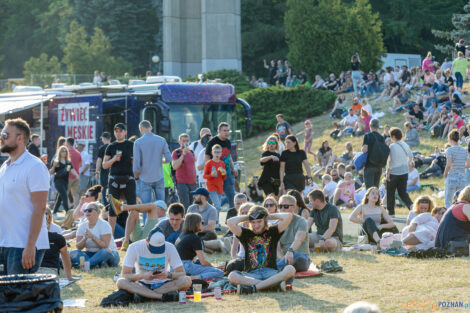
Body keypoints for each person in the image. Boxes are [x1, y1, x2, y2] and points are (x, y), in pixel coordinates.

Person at [0, 118, 50, 274]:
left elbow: (40, 208)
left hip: (23, 245)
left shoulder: (34, 166)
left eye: (5, 135)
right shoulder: (5, 166)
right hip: (6, 242)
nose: (1, 138)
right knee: (6, 297)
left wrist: (30, 246)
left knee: (17, 296)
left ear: (20, 138)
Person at [227, 205, 295, 294]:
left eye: (259, 221)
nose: (256, 225)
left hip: (271, 273)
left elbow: (288, 216)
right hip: (252, 275)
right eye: (253, 222)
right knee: (232, 276)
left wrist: (267, 215)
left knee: (290, 269)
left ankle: (253, 288)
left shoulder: (272, 231)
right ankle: (273, 286)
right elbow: (230, 222)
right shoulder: (245, 233)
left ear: (265, 220)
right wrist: (249, 216)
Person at [116, 228, 192, 301]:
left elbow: (182, 273)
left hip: (164, 284)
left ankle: (144, 295)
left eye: (159, 249)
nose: (155, 252)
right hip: (142, 284)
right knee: (121, 282)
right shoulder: (134, 247)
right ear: (146, 240)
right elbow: (125, 275)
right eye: (153, 248)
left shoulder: (170, 247)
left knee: (187, 280)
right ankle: (161, 296)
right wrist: (143, 276)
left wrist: (168, 275)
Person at [103, 123, 135, 246]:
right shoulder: (111, 146)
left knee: (133, 208)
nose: (118, 133)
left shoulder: (131, 145)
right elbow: (104, 165)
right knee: (113, 210)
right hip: (114, 180)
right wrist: (114, 159)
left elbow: (138, 161)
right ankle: (110, 240)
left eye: (120, 131)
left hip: (129, 179)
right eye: (116, 131)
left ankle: (127, 238)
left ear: (125, 132)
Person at [69, 202, 120, 268]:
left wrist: (93, 237)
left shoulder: (104, 225)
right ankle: (96, 264)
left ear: (98, 212)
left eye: (90, 210)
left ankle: (86, 265)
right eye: (85, 210)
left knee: (105, 252)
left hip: (110, 253)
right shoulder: (82, 226)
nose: (87, 212)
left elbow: (105, 246)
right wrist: (85, 238)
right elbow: (79, 247)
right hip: (90, 254)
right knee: (73, 253)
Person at [175, 213, 224, 280]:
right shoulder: (194, 237)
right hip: (186, 266)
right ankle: (193, 278)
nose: (202, 224)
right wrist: (214, 267)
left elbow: (196, 260)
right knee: (219, 272)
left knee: (201, 265)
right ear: (196, 224)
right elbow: (203, 262)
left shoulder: (182, 235)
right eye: (202, 222)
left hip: (176, 267)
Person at [133, 120, 171, 205]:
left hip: (144, 178)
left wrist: (137, 178)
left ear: (140, 129)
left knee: (146, 206)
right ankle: (161, 218)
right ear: (151, 128)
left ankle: (147, 219)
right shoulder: (162, 140)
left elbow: (136, 166)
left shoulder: (138, 142)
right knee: (161, 206)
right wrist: (160, 161)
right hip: (159, 176)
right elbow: (168, 158)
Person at [204, 122, 238, 208]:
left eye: (228, 130)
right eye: (224, 131)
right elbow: (207, 157)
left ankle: (230, 218)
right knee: (215, 202)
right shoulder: (212, 142)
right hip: (215, 176)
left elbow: (229, 157)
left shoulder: (228, 142)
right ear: (218, 131)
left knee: (232, 197)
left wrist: (233, 168)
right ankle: (213, 220)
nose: (227, 133)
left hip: (226, 174)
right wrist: (210, 171)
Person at [276, 195, 310, 272]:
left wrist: (290, 251)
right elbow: (277, 248)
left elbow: (298, 240)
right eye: (280, 206)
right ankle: (281, 267)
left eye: (285, 206)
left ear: (294, 207)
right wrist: (283, 259)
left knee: (297, 255)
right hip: (285, 258)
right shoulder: (277, 224)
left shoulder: (301, 221)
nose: (282, 209)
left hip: (301, 257)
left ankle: (276, 270)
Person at [38, 210, 74, 280]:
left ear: (48, 223)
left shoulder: (57, 238)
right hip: (34, 271)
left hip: (50, 271)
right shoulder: (29, 238)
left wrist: (69, 277)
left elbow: (65, 258)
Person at [385, 127, 413, 215]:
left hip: (394, 172)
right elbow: (411, 156)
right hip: (404, 171)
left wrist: (387, 173)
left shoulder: (392, 146)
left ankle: (391, 212)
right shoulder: (405, 144)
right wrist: (407, 164)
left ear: (393, 136)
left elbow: (389, 161)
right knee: (402, 193)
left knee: (390, 192)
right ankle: (411, 206)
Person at [444, 130, 470, 208]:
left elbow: (448, 164)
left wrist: (445, 173)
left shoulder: (449, 150)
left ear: (450, 139)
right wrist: (460, 165)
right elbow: (468, 164)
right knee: (460, 202)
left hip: (452, 177)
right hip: (462, 178)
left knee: (448, 202)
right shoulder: (464, 150)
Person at [172, 133, 197, 209]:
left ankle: (190, 220)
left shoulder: (192, 152)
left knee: (192, 206)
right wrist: (183, 155)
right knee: (185, 206)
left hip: (192, 183)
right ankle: (184, 220)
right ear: (180, 142)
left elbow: (193, 167)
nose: (186, 143)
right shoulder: (176, 153)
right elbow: (175, 166)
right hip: (181, 183)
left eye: (187, 141)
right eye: (183, 141)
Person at [50, 145, 76, 213]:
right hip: (58, 181)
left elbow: (72, 170)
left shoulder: (68, 162)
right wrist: (53, 166)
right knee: (64, 196)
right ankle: (68, 212)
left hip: (65, 181)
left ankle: (54, 212)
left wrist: (77, 175)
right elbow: (51, 172)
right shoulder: (56, 161)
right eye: (62, 151)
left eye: (65, 151)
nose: (64, 153)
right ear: (59, 152)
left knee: (60, 198)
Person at [362, 118, 388, 189]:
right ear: (378, 127)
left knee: (369, 190)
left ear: (370, 125)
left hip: (369, 165)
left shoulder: (367, 136)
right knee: (376, 189)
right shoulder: (381, 137)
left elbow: (364, 150)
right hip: (379, 167)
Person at [203, 144, 226, 221]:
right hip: (211, 187)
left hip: (219, 187)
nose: (217, 154)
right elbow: (204, 176)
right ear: (212, 153)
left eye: (219, 152)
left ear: (221, 153)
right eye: (215, 152)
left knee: (216, 206)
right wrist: (211, 175)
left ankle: (215, 222)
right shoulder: (209, 163)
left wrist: (223, 173)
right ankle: (215, 223)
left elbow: (224, 177)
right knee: (217, 206)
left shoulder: (222, 163)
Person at [95, 132, 111, 206]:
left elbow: (99, 161)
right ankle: (112, 204)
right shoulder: (114, 146)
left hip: (104, 171)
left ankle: (105, 204)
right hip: (114, 171)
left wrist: (97, 172)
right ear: (110, 138)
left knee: (104, 189)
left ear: (103, 139)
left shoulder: (102, 148)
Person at [66, 137, 82, 208]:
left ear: (68, 143)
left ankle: (69, 208)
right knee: (76, 194)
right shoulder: (78, 153)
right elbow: (80, 165)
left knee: (66, 193)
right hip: (77, 176)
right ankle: (76, 208)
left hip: (68, 176)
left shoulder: (66, 152)